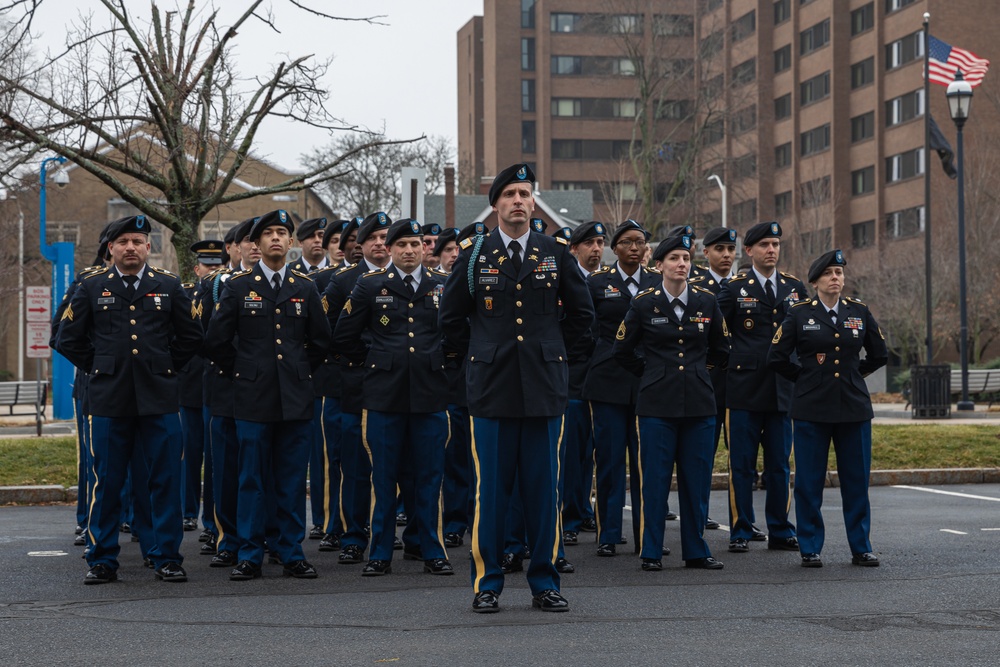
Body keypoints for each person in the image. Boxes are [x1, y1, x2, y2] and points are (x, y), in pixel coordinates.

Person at [439, 163, 595, 614]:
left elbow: (583, 318)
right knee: (490, 492)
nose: (519, 201)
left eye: (525, 193)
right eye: (509, 194)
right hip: (491, 391)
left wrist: (556, 355)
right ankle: (487, 583)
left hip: (545, 390)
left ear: (533, 201)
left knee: (544, 490)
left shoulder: (555, 251)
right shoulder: (474, 254)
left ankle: (544, 581)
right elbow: (449, 320)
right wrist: (479, 355)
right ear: (496, 204)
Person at [56, 215, 202, 584]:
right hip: (108, 399)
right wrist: (100, 367)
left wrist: (166, 367)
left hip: (160, 399)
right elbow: (66, 338)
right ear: (111, 249)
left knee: (164, 479)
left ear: (149, 247)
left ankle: (166, 555)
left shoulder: (167, 285)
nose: (130, 248)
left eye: (137, 241)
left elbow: (190, 337)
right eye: (123, 242)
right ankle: (102, 558)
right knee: (107, 481)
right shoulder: (91, 286)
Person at [205, 209, 332, 581]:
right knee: (251, 478)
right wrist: (244, 370)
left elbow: (320, 342)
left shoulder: (305, 287)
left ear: (291, 243)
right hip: (251, 397)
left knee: (292, 479)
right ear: (256, 244)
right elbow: (216, 340)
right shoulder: (238, 286)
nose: (276, 238)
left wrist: (298, 371)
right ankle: (249, 553)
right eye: (269, 234)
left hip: (295, 397)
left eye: (282, 233)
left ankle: (291, 552)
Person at [333, 217, 453, 577]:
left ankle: (431, 548)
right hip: (384, 397)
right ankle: (380, 552)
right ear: (390, 250)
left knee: (430, 477)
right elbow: (344, 336)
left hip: (430, 396)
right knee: (383, 478)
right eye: (401, 245)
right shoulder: (371, 286)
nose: (409, 251)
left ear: (424, 249)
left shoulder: (442, 286)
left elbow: (457, 334)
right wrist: (374, 362)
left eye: (415, 245)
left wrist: (444, 366)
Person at [613, 233, 729, 570]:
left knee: (696, 480)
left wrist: (695, 372)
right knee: (655, 480)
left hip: (698, 404)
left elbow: (722, 350)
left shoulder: (707, 302)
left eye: (686, 258)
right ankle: (651, 550)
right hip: (656, 406)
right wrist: (653, 373)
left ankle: (695, 549)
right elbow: (622, 350)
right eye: (675, 258)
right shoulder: (643, 304)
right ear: (659, 264)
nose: (682, 264)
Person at [767, 249, 887, 568]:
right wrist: (807, 378)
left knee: (856, 481)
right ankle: (810, 547)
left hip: (853, 408)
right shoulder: (798, 314)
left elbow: (879, 354)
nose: (836, 278)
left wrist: (851, 375)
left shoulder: (858, 311)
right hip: (811, 408)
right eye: (830, 273)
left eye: (840, 273)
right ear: (816, 281)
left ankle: (861, 546)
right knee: (809, 481)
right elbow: (777, 357)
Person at [717, 221, 805, 554]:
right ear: (750, 251)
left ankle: (781, 529)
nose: (772, 250)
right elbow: (718, 335)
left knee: (780, 465)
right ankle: (740, 529)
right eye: (765, 244)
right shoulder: (734, 288)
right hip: (743, 389)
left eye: (776, 244)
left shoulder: (794, 289)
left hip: (782, 389)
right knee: (741, 464)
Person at [583, 220, 660, 556]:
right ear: (614, 248)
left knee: (646, 462)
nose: (634, 247)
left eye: (640, 242)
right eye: (627, 242)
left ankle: (647, 534)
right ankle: (609, 534)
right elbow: (584, 329)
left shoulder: (658, 282)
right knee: (611, 461)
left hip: (649, 380)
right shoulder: (598, 282)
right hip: (608, 380)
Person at [322, 211, 393, 566]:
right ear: (360, 245)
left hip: (397, 385)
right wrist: (365, 358)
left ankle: (392, 533)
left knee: (395, 465)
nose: (380, 243)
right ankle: (353, 536)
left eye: (385, 237)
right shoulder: (343, 280)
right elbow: (330, 330)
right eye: (374, 238)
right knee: (354, 465)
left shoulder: (407, 278)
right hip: (355, 383)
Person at [687, 226, 739, 530]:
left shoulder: (743, 286)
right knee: (702, 456)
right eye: (719, 250)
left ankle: (739, 519)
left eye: (731, 250)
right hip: (704, 382)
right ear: (705, 254)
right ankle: (699, 513)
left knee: (739, 460)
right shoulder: (695, 286)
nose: (726, 255)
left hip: (738, 384)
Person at [560, 221, 605, 550]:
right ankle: (569, 518)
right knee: (571, 451)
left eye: (601, 242)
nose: (597, 248)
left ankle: (584, 509)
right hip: (572, 375)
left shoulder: (607, 282)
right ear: (574, 248)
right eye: (589, 243)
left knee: (591, 450)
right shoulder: (563, 277)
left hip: (601, 375)